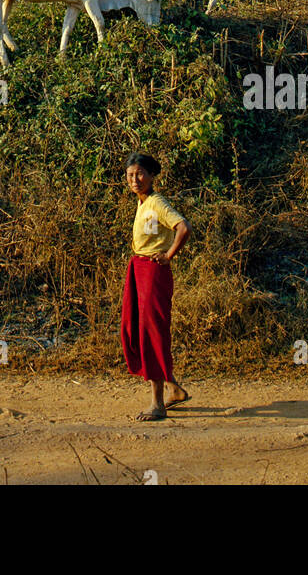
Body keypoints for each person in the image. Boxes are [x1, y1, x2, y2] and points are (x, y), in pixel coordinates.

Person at [121, 152, 190, 421]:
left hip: (153, 271)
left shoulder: (158, 202)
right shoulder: (142, 203)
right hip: (138, 270)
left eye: (140, 174)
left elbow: (183, 227)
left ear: (151, 176)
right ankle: (173, 389)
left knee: (152, 333)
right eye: (130, 175)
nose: (135, 180)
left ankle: (157, 404)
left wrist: (169, 254)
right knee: (136, 328)